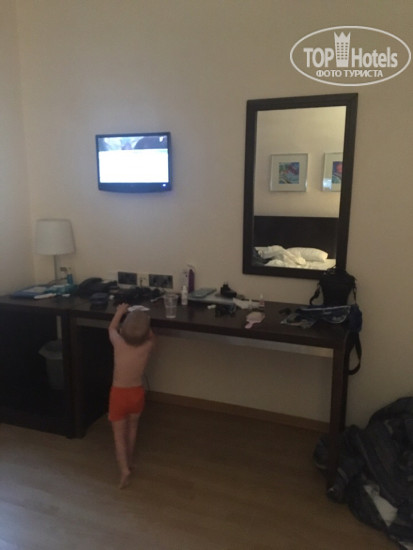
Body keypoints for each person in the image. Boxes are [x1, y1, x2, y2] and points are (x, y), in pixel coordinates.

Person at [108, 303, 155, 488]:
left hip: (119, 395)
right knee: (133, 428)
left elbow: (111, 328)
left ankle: (124, 470)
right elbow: (151, 336)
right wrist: (145, 322)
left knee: (118, 436)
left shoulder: (118, 343)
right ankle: (130, 461)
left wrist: (120, 312)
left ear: (123, 330)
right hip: (137, 394)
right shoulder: (147, 346)